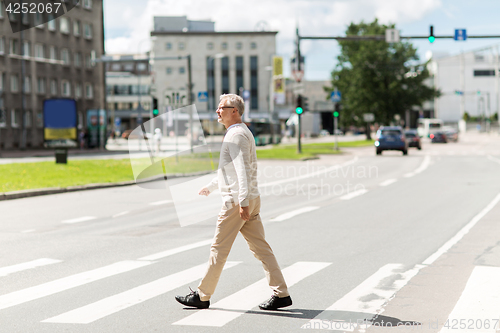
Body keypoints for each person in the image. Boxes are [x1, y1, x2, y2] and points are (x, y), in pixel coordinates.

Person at [175, 94, 292, 310]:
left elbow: (242, 171)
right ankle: (281, 293)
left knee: (218, 248)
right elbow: (228, 170)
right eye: (218, 107)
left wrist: (242, 202)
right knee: (261, 249)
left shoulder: (235, 136)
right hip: (250, 199)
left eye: (222, 108)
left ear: (234, 111)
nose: (218, 111)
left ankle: (202, 296)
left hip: (238, 202)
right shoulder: (241, 132)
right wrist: (211, 187)